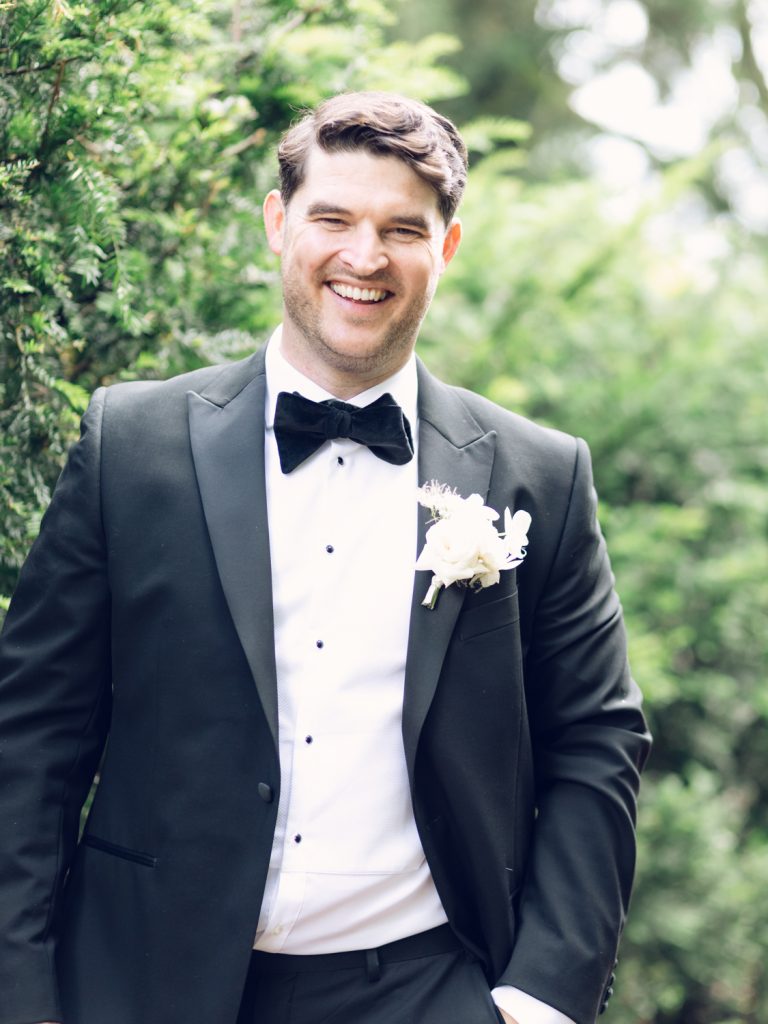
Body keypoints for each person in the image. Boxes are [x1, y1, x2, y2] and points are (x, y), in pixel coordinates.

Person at [0, 92, 651, 1024]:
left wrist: (542, 997)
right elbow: (32, 747)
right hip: (144, 983)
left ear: (447, 249)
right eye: (333, 218)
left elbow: (596, 740)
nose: (364, 256)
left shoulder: (538, 474)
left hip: (429, 990)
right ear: (277, 223)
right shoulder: (129, 445)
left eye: (402, 229)